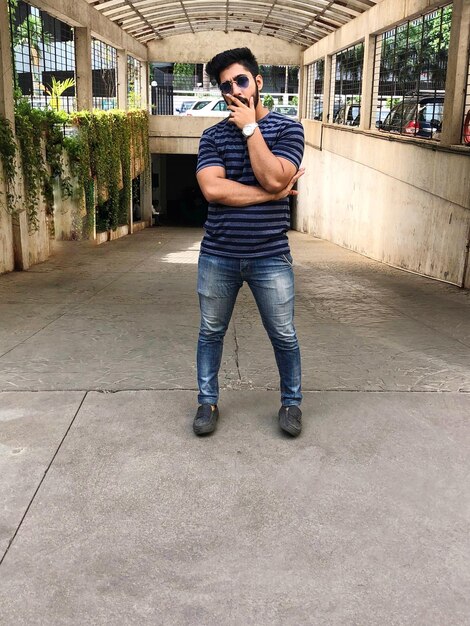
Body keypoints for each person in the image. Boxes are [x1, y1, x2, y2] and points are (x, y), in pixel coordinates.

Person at [193, 47, 305, 437]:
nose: (235, 90)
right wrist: (271, 195)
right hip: (218, 256)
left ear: (258, 81)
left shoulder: (288, 129)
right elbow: (213, 189)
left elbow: (275, 176)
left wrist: (250, 129)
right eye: (226, 86)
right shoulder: (210, 136)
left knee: (284, 334)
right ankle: (207, 402)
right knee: (210, 333)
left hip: (270, 256)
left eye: (241, 80)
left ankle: (291, 404)